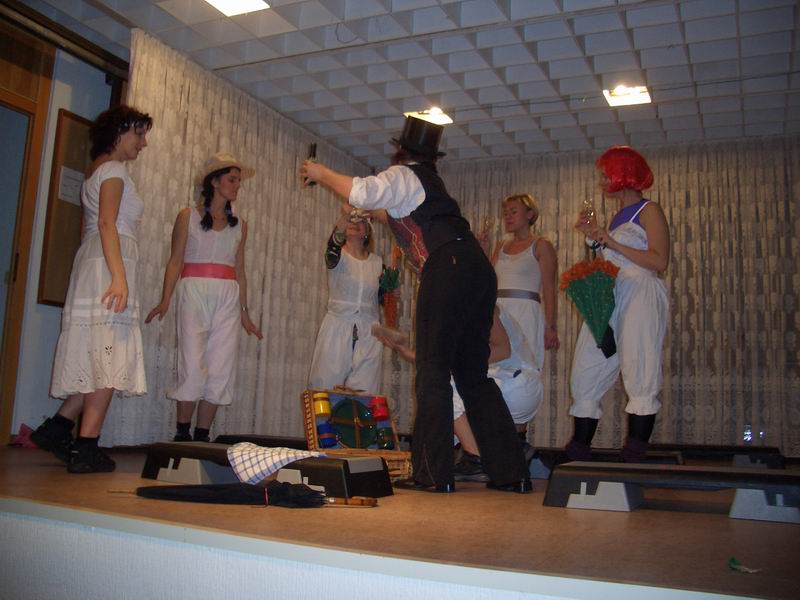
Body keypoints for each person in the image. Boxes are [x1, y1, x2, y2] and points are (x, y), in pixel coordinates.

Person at [301, 116, 530, 493]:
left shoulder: (403, 174)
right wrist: (368, 212)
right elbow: (390, 212)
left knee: (433, 371)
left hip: (447, 268)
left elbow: (363, 192)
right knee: (474, 376)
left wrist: (320, 172)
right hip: (476, 270)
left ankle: (432, 473)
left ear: (400, 150)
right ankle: (512, 472)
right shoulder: (427, 184)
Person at [31, 105, 152, 473]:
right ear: (119, 131)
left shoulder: (96, 170)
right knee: (108, 356)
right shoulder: (114, 170)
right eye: (139, 134)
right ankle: (86, 447)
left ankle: (57, 428)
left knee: (99, 354)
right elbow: (106, 223)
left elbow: (96, 225)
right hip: (107, 265)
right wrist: (119, 277)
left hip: (94, 262)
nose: (143, 143)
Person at [146, 153, 263, 443]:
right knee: (192, 363)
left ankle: (202, 437)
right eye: (232, 179)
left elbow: (240, 271)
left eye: (239, 180)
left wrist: (245, 313)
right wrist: (165, 299)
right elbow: (175, 261)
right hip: (194, 291)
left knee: (221, 366)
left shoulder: (241, 225)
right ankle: (182, 435)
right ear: (214, 181)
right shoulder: (188, 216)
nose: (237, 185)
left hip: (228, 296)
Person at [567, 146, 670, 463]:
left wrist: (610, 241)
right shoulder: (615, 218)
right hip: (611, 296)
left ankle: (633, 455)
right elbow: (609, 263)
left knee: (639, 366)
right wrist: (595, 239)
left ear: (622, 175)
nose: (602, 180)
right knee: (587, 368)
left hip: (639, 291)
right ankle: (578, 452)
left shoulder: (649, 210)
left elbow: (659, 261)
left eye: (605, 174)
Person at [376, 304, 542, 482]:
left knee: (443, 386)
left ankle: (476, 458)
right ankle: (514, 449)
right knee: (448, 381)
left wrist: (454, 362)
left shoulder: (479, 302)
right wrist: (406, 351)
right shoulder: (461, 304)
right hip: (514, 385)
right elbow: (444, 359)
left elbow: (503, 350)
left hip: (517, 384)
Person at [478, 193, 559, 446]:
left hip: (527, 313)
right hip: (500, 313)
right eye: (506, 213)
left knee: (522, 373)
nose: (508, 217)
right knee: (494, 371)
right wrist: (482, 253)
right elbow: (487, 281)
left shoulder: (541, 245)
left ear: (530, 214)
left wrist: (551, 326)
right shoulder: (500, 247)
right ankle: (495, 442)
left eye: (514, 212)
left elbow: (549, 287)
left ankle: (519, 443)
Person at [308, 205, 383, 394]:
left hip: (369, 334)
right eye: (351, 220)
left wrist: (391, 295)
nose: (355, 223)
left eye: (361, 221)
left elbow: (379, 298)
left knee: (363, 394)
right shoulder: (336, 255)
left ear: (367, 231)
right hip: (336, 329)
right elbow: (333, 243)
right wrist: (346, 215)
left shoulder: (377, 263)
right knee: (324, 390)